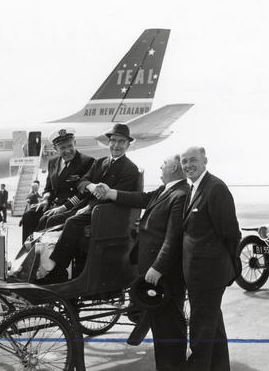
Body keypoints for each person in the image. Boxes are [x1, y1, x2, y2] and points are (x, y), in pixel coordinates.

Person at [100, 154, 189, 371]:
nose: (160, 166)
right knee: (161, 325)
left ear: (174, 167)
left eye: (164, 163)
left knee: (170, 325)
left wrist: (158, 267)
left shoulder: (181, 194)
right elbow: (140, 198)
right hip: (154, 271)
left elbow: (173, 237)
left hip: (165, 274)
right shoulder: (165, 190)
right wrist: (110, 192)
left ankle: (174, 367)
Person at [38, 123, 139, 284]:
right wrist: (92, 186)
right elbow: (82, 182)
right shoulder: (100, 163)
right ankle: (42, 264)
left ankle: (58, 270)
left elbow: (114, 196)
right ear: (109, 142)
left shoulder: (130, 169)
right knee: (53, 220)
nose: (116, 145)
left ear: (127, 145)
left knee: (71, 222)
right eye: (113, 141)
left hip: (106, 213)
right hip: (89, 209)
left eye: (121, 142)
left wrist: (89, 206)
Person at [180, 147, 241, 371]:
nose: (188, 165)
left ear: (205, 160)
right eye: (184, 161)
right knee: (212, 326)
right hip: (198, 274)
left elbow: (231, 233)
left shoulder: (215, 188)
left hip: (209, 274)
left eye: (193, 160)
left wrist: (230, 266)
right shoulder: (193, 188)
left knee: (200, 331)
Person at [21, 128, 94, 243]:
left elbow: (83, 193)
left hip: (71, 207)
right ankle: (27, 250)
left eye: (70, 146)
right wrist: (45, 200)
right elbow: (48, 188)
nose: (68, 150)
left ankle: (38, 254)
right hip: (52, 204)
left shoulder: (87, 162)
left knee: (46, 219)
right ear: (56, 149)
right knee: (28, 216)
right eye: (63, 148)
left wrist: (64, 207)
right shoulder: (53, 162)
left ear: (74, 143)